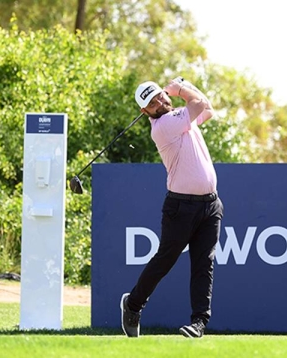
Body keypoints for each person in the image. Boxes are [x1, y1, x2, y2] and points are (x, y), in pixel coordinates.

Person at [120, 77, 224, 338]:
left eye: (159, 96)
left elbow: (208, 109)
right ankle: (133, 304)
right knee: (165, 260)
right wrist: (179, 88)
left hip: (210, 205)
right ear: (146, 112)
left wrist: (182, 89)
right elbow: (199, 104)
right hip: (181, 206)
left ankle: (199, 323)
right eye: (152, 103)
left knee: (204, 263)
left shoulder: (180, 117)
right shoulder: (163, 125)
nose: (159, 102)